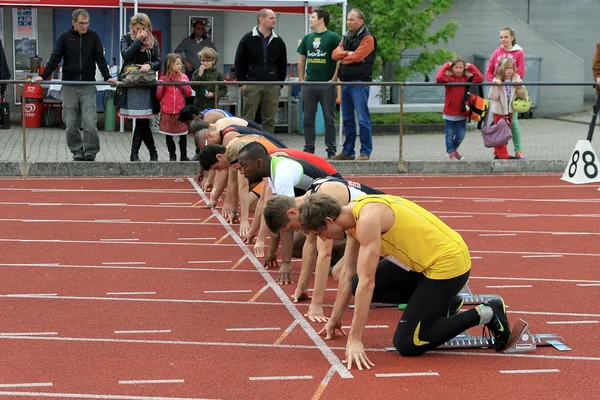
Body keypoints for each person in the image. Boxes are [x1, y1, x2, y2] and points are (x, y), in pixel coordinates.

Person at [297, 193, 512, 369]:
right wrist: (335, 318)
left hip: (448, 265)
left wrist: (355, 339)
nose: (323, 239)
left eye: (320, 233)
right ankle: (446, 303)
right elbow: (349, 273)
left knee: (408, 343)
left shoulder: (368, 220)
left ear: (329, 220)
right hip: (423, 265)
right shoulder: (352, 213)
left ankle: (488, 313)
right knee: (354, 283)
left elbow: (368, 283)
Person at [263, 178, 383, 322]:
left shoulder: (323, 196)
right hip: (360, 229)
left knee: (340, 272)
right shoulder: (309, 199)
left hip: (380, 224)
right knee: (339, 268)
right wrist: (301, 287)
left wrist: (316, 305)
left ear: (291, 213)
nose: (295, 230)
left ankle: (395, 290)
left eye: (290, 228)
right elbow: (310, 245)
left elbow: (324, 254)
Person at [238, 141, 332, 284]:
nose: (242, 172)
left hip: (333, 200)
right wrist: (272, 249)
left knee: (297, 238)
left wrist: (286, 263)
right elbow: (277, 213)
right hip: (317, 202)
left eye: (244, 166)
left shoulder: (282, 172)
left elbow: (286, 215)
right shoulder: (272, 171)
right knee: (294, 244)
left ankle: (339, 251)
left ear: (258, 163)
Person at [33, 9, 117, 162]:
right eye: (81, 23)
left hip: (87, 85)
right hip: (69, 85)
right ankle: (77, 151)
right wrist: (43, 76)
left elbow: (100, 58)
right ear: (73, 23)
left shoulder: (94, 37)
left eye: (87, 23)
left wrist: (107, 76)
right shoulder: (64, 37)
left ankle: (91, 151)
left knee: (90, 122)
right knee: (71, 122)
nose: (85, 26)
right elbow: (55, 57)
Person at [331, 9, 376, 161]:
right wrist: (347, 54)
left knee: (362, 118)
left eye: (352, 20)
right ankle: (348, 151)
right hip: (345, 82)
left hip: (359, 82)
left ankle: (365, 151)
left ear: (361, 21)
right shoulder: (346, 37)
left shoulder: (368, 38)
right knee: (348, 118)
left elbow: (357, 57)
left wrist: (347, 55)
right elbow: (334, 55)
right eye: (348, 19)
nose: (348, 22)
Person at [234, 9, 287, 134]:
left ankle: (268, 145)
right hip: (252, 84)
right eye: (271, 18)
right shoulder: (247, 39)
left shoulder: (278, 41)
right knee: (248, 117)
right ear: (261, 19)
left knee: (269, 119)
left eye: (274, 18)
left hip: (272, 85)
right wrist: (242, 83)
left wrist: (279, 84)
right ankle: (245, 142)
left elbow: (283, 63)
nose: (274, 20)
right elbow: (239, 61)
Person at [117, 13, 162, 162]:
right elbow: (126, 55)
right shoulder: (126, 38)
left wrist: (150, 64)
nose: (140, 31)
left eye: (143, 28)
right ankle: (148, 153)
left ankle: (138, 154)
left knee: (143, 120)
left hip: (147, 83)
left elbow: (158, 61)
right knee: (141, 120)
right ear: (132, 27)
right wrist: (138, 40)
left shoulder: (153, 41)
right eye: (137, 28)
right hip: (132, 83)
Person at [297, 9, 341, 158]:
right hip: (309, 84)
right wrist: (301, 79)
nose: (310, 19)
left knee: (329, 118)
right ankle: (309, 149)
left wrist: (334, 79)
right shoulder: (307, 38)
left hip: (327, 84)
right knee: (308, 118)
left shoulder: (333, 37)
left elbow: (339, 60)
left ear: (321, 19)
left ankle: (331, 150)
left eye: (313, 17)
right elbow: (302, 59)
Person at [486, 27, 526, 160]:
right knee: (501, 125)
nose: (503, 40)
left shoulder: (518, 52)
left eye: (506, 37)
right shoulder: (497, 52)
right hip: (499, 94)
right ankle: (500, 152)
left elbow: (520, 71)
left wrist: (515, 81)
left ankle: (517, 150)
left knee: (511, 123)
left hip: (511, 94)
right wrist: (494, 81)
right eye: (501, 37)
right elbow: (489, 71)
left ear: (512, 38)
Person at [435, 56, 484, 160]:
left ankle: (453, 149)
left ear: (464, 69)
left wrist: (471, 67)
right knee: (449, 134)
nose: (458, 70)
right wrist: (446, 65)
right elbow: (439, 77)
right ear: (452, 68)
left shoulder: (467, 79)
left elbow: (480, 78)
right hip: (450, 112)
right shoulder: (449, 79)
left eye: (461, 67)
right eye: (456, 67)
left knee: (461, 135)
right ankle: (451, 152)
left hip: (462, 112)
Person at [489, 58, 528, 160]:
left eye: (511, 68)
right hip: (499, 111)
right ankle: (503, 155)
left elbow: (524, 96)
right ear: (502, 69)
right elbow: (493, 97)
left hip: (510, 111)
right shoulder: (497, 79)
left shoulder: (516, 79)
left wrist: (520, 88)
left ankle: (497, 153)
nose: (509, 70)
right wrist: (495, 85)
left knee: (506, 134)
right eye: (507, 68)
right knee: (501, 133)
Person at [156, 53, 192, 161]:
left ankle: (184, 155)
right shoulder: (163, 78)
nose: (180, 66)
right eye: (177, 64)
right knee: (168, 134)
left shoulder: (184, 77)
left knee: (183, 134)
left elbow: (189, 93)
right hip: (167, 110)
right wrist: (160, 86)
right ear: (169, 64)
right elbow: (158, 96)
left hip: (181, 111)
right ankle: (172, 155)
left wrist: (183, 84)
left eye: (180, 64)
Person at [191, 47, 227, 112]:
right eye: (203, 61)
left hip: (213, 106)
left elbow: (224, 90)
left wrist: (213, 94)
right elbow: (193, 86)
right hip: (198, 106)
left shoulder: (217, 74)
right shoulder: (197, 72)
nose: (205, 63)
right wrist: (199, 75)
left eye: (208, 61)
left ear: (213, 61)